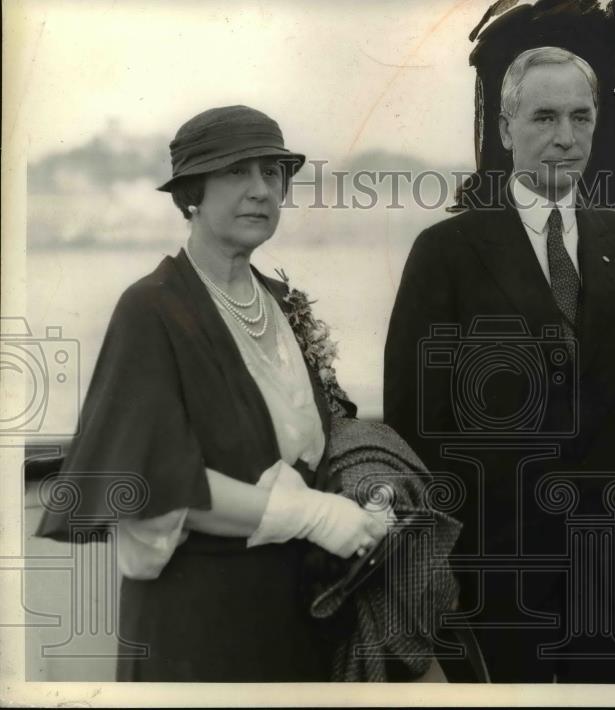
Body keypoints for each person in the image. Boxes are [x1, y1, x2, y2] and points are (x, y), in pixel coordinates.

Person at [37, 105, 390, 681]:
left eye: (272, 173)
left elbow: (318, 436)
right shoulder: (153, 308)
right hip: (198, 628)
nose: (260, 190)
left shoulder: (280, 302)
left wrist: (363, 488)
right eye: (236, 173)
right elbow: (150, 481)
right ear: (191, 193)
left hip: (296, 619)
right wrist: (313, 514)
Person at [383, 46, 615, 683]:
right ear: (504, 129)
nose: (566, 139)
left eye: (581, 118)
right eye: (544, 118)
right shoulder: (446, 249)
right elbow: (416, 418)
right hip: (494, 555)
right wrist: (435, 555)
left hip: (612, 541)